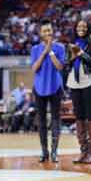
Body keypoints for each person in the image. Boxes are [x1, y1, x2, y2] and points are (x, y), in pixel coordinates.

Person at [66, 20, 91, 164]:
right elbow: (65, 63)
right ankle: (83, 151)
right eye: (78, 26)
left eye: (84, 26)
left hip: (89, 81)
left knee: (90, 116)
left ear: (88, 29)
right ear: (75, 28)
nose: (81, 28)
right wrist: (72, 57)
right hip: (74, 82)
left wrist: (81, 54)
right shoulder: (70, 43)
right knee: (79, 116)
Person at [30, 20, 65, 163]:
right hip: (39, 88)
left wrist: (50, 52)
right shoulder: (35, 49)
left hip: (55, 87)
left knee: (56, 119)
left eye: (49, 30)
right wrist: (44, 52)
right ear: (40, 33)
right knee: (42, 121)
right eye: (45, 31)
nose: (48, 33)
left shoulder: (60, 47)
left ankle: (54, 151)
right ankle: (44, 151)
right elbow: (34, 68)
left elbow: (59, 67)